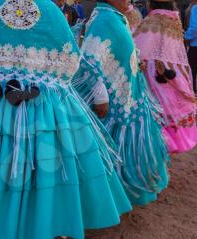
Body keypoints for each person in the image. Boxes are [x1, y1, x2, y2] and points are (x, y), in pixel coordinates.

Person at [0, 0, 133, 238]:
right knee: (45, 168)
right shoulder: (50, 11)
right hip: (44, 112)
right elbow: (70, 63)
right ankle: (42, 222)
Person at [73, 0, 170, 206]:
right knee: (112, 150)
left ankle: (124, 193)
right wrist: (100, 96)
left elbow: (118, 49)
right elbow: (89, 61)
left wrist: (136, 59)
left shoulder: (115, 17)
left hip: (127, 97)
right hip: (114, 103)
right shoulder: (104, 20)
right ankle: (112, 198)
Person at [134, 0, 197, 153]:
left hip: (153, 74)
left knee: (155, 118)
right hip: (171, 73)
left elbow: (137, 47)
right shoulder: (174, 20)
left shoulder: (152, 21)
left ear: (150, 5)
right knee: (169, 115)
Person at [185, 0, 197, 94]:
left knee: (191, 71)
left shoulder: (195, 8)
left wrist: (186, 37)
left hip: (195, 46)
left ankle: (193, 92)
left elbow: (194, 27)